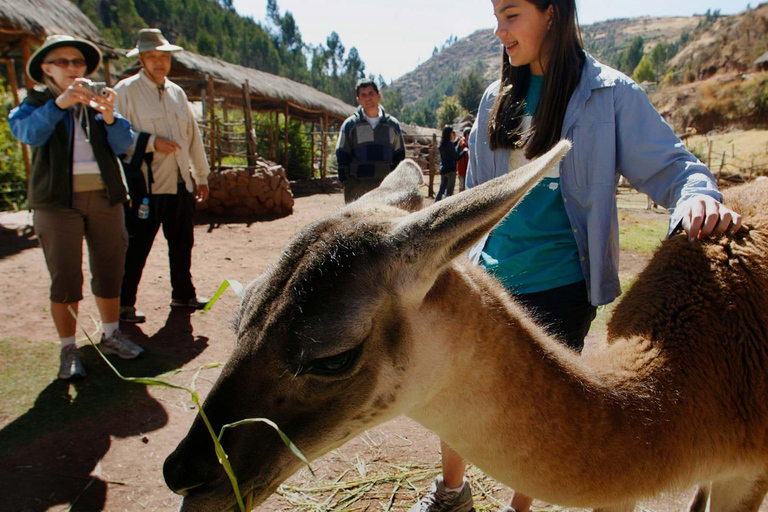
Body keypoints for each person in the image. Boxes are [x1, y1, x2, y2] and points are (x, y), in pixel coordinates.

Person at [410, 0, 743, 511]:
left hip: (561, 284)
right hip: (488, 278)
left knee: (541, 411)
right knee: (458, 391)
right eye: (496, 15)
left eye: (511, 14)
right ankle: (451, 493)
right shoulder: (493, 100)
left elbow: (676, 167)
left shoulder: (611, 94)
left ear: (551, 12)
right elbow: (474, 193)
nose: (499, 30)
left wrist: (697, 194)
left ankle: (517, 507)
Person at [9, 35, 144, 380]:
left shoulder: (97, 100)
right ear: (46, 68)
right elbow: (27, 133)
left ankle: (111, 334)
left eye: (78, 62)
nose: (72, 68)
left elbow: (125, 145)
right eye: (63, 62)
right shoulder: (35, 102)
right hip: (56, 203)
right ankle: (69, 348)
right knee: (66, 276)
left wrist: (111, 117)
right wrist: (60, 105)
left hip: (104, 197)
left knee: (111, 267)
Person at [114, 29, 211, 323]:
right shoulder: (125, 92)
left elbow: (193, 137)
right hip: (145, 185)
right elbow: (114, 136)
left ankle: (183, 294)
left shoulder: (177, 94)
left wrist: (201, 175)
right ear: (141, 59)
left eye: (163, 57)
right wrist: (150, 142)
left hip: (180, 182)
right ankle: (123, 305)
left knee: (182, 242)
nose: (159, 62)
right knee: (136, 246)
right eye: (152, 57)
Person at [335, 78, 406, 203]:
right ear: (358, 100)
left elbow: (399, 155)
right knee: (356, 222)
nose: (368, 98)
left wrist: (396, 183)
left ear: (379, 95)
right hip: (357, 189)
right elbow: (342, 154)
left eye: (371, 93)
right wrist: (348, 182)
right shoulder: (350, 125)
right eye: (363, 95)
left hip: (386, 188)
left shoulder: (392, 125)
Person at [435, 125, 467, 201]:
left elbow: (451, 147)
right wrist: (464, 151)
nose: (453, 134)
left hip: (443, 170)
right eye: (452, 132)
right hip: (450, 170)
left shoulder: (442, 144)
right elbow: (456, 157)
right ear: (449, 133)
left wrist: (457, 142)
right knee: (449, 192)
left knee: (441, 190)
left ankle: (436, 203)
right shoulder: (449, 145)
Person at [457, 127, 471, 192]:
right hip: (462, 168)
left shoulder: (468, 143)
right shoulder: (463, 143)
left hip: (466, 168)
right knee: (462, 187)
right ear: (467, 134)